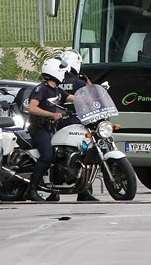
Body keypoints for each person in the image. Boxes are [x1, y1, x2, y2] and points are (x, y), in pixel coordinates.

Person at [25, 56, 74, 202]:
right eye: (63, 72)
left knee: (60, 156)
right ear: (56, 72)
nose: (64, 75)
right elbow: (32, 108)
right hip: (39, 128)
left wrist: (91, 98)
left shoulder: (57, 90)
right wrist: (51, 114)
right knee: (47, 157)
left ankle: (54, 190)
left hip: (52, 129)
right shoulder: (41, 89)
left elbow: (72, 98)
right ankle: (31, 190)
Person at [57, 49, 99, 202]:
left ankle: (53, 192)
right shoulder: (80, 83)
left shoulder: (57, 82)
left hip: (59, 123)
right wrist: (86, 78)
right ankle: (85, 191)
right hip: (77, 123)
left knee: (56, 156)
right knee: (86, 157)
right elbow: (92, 97)